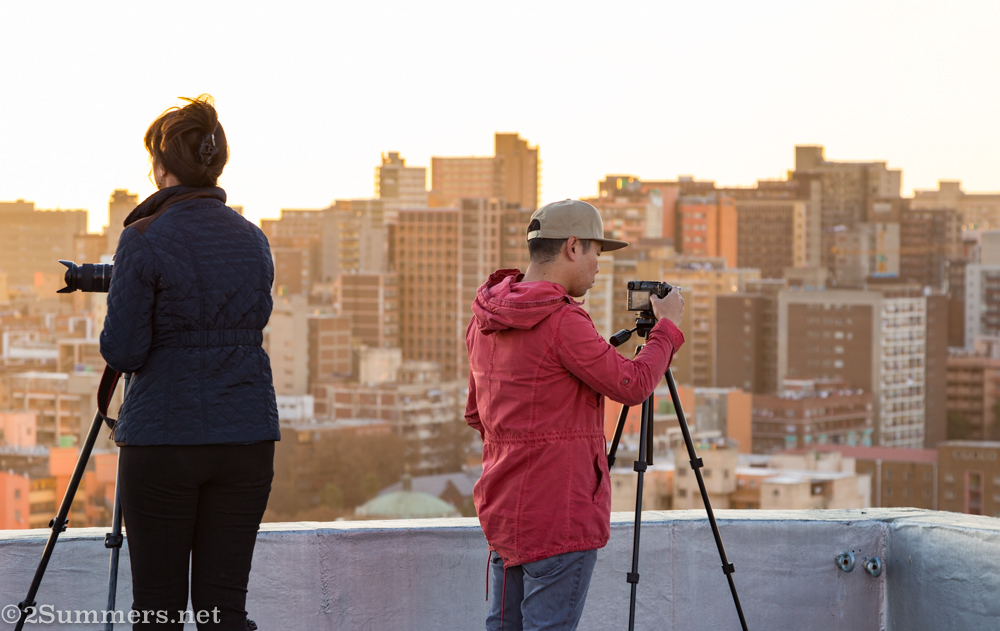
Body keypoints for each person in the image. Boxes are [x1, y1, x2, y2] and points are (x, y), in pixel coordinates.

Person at [100, 95, 279, 630]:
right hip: (246, 439)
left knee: (158, 612)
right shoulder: (254, 239)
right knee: (224, 612)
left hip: (164, 440)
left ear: (162, 167)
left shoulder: (144, 237)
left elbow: (125, 350)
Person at [465, 199, 685, 631]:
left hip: (504, 516)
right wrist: (667, 330)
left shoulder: (484, 320)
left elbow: (477, 414)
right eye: (596, 253)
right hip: (559, 522)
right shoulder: (563, 320)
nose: (598, 267)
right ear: (572, 247)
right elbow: (634, 384)